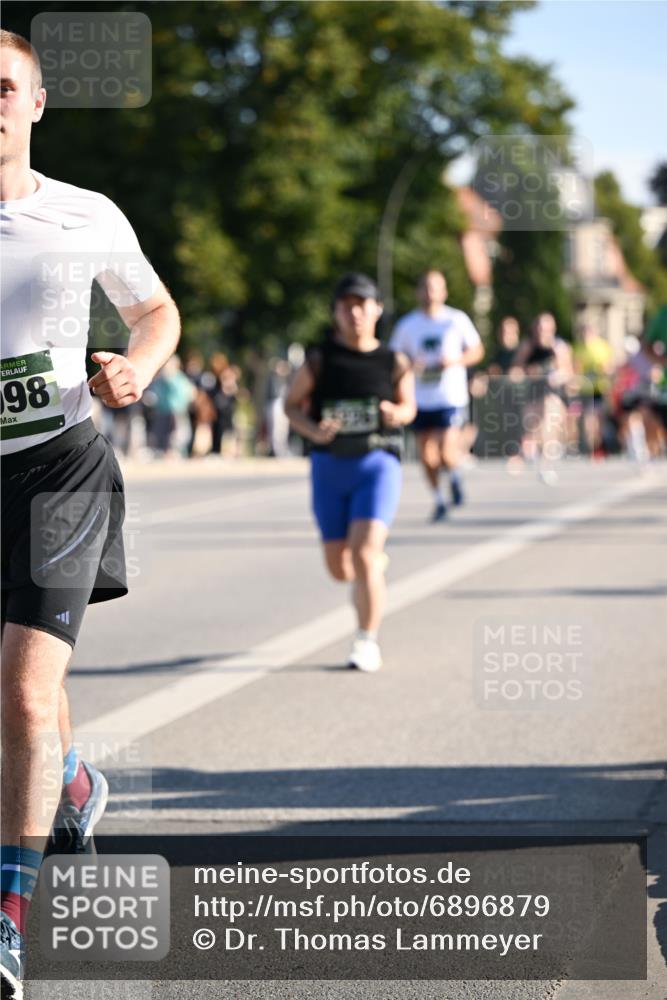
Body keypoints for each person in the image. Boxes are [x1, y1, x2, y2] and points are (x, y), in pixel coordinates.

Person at [0, 31, 180, 998]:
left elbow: (156, 312)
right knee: (16, 692)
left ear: (35, 103)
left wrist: (135, 368)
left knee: (24, 694)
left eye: (3, 86)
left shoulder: (84, 215)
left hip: (61, 469)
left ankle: (8, 918)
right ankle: (70, 781)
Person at [285, 273, 416, 672]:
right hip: (329, 467)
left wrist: (397, 413)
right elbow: (290, 406)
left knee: (363, 554)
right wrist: (312, 430)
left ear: (377, 310)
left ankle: (366, 640)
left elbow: (410, 407)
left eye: (363, 305)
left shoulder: (393, 360)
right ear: (336, 312)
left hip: (377, 464)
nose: (355, 313)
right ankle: (371, 568)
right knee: (340, 567)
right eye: (347, 306)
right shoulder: (320, 359)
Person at [390, 270, 484, 521]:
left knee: (446, 451)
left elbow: (477, 351)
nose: (430, 293)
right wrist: (411, 365)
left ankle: (454, 477)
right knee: (427, 456)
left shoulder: (456, 320)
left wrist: (454, 361)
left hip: (449, 396)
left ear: (444, 292)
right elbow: (394, 360)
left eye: (435, 287)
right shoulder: (407, 325)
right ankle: (439, 499)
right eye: (426, 287)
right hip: (419, 398)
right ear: (419, 291)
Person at [513, 312, 573, 483]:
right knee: (532, 426)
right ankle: (532, 453)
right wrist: (529, 373)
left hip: (553, 391)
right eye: (539, 327)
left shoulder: (558, 346)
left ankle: (547, 464)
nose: (542, 331)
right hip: (533, 390)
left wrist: (557, 376)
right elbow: (516, 369)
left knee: (550, 421)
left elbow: (568, 371)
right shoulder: (528, 346)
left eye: (546, 328)